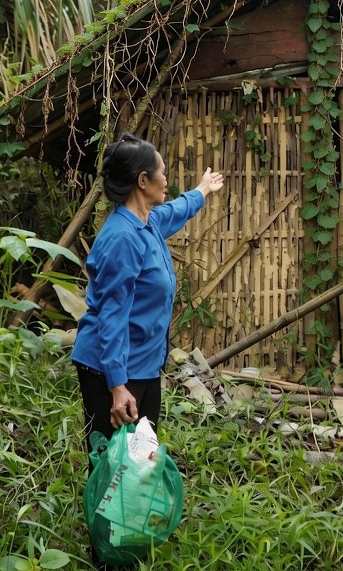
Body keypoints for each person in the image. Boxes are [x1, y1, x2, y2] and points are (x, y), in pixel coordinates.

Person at [72, 133, 224, 449]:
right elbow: (112, 317)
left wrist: (202, 190)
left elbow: (175, 211)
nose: (167, 179)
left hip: (143, 365)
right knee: (112, 467)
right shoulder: (123, 239)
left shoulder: (147, 222)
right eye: (162, 172)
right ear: (144, 180)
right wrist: (117, 386)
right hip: (111, 371)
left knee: (141, 460)